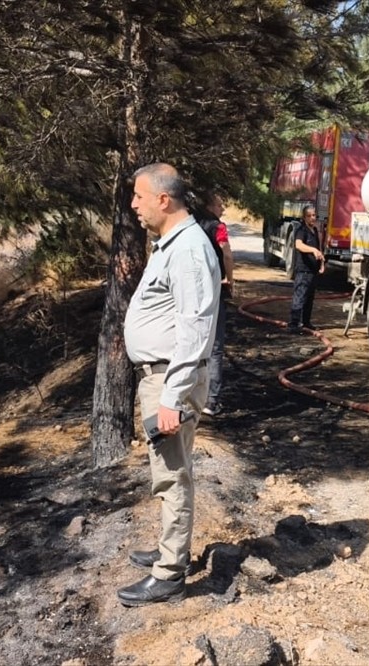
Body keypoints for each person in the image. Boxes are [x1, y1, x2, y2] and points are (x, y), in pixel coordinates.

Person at [120, 163, 221, 606]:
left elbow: (195, 326)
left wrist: (173, 396)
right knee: (167, 472)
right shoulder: (170, 244)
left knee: (172, 476)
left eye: (139, 196)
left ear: (164, 199)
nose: (133, 205)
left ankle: (170, 574)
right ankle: (169, 551)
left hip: (168, 379)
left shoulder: (189, 250)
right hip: (159, 376)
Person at [193, 191, 235, 416]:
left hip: (192, 291)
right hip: (214, 290)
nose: (223, 209)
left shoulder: (192, 224)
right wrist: (230, 279)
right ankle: (211, 401)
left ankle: (191, 397)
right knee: (215, 347)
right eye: (220, 204)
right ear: (210, 205)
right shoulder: (218, 227)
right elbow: (226, 254)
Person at [286, 205, 325, 334]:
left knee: (309, 299)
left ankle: (306, 323)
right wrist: (313, 250)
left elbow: (319, 250)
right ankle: (294, 324)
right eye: (309, 216)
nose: (312, 218)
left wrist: (321, 264)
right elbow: (299, 245)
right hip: (303, 271)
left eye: (314, 215)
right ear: (304, 217)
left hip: (313, 272)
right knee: (300, 298)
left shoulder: (314, 231)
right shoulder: (301, 230)